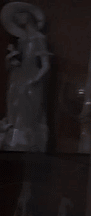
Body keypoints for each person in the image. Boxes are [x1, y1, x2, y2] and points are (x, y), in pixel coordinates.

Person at [0, 2, 50, 152]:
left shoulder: (39, 38)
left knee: (28, 113)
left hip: (30, 81)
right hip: (16, 80)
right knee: (14, 110)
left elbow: (46, 65)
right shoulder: (21, 41)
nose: (18, 19)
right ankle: (14, 142)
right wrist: (10, 59)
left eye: (19, 15)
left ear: (28, 16)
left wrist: (34, 79)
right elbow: (12, 66)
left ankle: (28, 143)